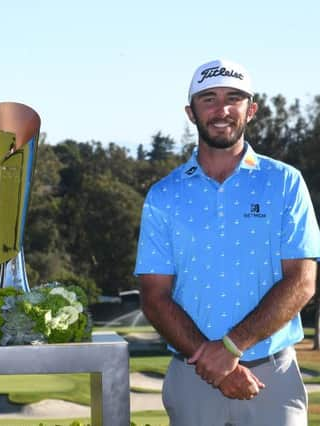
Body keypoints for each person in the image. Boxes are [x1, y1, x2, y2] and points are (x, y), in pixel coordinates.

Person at [135, 59, 320, 426]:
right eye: (208, 99)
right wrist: (215, 363)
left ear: (250, 110)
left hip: (272, 376)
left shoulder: (285, 182)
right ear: (191, 113)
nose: (221, 109)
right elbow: (154, 296)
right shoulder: (164, 195)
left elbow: (302, 282)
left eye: (233, 98)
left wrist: (231, 348)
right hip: (192, 376)